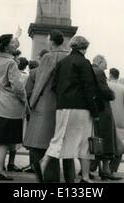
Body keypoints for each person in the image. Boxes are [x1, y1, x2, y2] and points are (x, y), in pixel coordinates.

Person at [40, 35, 99, 183]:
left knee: (59, 138)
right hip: (81, 108)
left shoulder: (63, 62)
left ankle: (44, 163)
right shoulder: (84, 63)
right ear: (85, 48)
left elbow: (54, 86)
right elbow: (89, 88)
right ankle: (85, 177)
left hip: (62, 107)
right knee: (85, 141)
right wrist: (95, 110)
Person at [24, 32, 76, 183]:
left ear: (51, 42)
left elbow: (41, 82)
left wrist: (32, 103)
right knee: (65, 149)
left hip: (47, 106)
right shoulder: (70, 56)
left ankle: (49, 180)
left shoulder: (48, 57)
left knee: (39, 147)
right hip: (67, 105)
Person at [0, 32, 26, 181]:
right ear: (8, 46)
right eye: (12, 43)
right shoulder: (11, 63)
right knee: (5, 140)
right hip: (12, 105)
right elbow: (17, 87)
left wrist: (15, 38)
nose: (14, 45)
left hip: (0, 102)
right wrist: (24, 99)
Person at [91, 55, 120, 180]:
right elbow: (106, 91)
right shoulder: (99, 72)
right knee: (106, 139)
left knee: (97, 138)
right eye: (105, 64)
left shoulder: (90, 70)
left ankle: (99, 170)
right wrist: (112, 94)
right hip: (102, 109)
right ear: (99, 62)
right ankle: (105, 171)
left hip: (95, 108)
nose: (106, 67)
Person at [108, 67, 124, 177]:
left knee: (102, 143)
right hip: (119, 120)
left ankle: (94, 168)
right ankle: (112, 170)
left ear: (110, 75)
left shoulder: (106, 86)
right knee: (119, 146)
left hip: (106, 118)